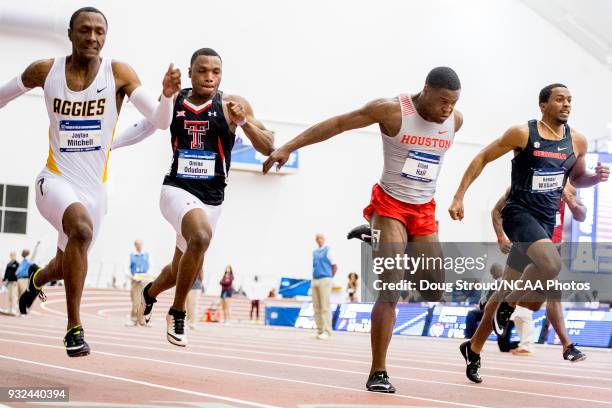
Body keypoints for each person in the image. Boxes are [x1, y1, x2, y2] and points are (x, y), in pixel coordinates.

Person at [264, 67, 463, 393]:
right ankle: (379, 371)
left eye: (452, 104)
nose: (447, 111)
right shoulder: (392, 110)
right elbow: (339, 123)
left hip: (424, 210)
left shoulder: (456, 122)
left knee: (432, 292)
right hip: (389, 205)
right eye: (442, 102)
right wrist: (289, 146)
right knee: (391, 287)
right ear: (425, 89)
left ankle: (378, 238)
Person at [1, 6, 181, 356]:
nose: (93, 37)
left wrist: (169, 96)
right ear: (70, 33)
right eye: (85, 30)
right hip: (53, 180)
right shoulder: (45, 70)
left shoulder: (118, 73)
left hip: (94, 190)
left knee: (65, 262)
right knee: (80, 231)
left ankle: (37, 279)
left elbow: (159, 121)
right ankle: (73, 328)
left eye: (100, 31)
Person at [449, 83, 609, 383]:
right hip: (519, 215)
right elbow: (482, 157)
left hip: (546, 221)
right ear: (543, 104)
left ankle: (474, 347)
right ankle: (508, 307)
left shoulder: (577, 141)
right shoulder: (522, 133)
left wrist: (594, 179)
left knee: (517, 293)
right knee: (550, 265)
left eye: (570, 100)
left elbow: (577, 178)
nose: (566, 104)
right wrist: (459, 195)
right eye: (559, 99)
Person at [116, 47, 273, 347]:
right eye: (202, 70)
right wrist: (109, 147)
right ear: (190, 72)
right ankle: (177, 313)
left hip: (212, 199)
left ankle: (149, 293)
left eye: (216, 72)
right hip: (176, 188)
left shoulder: (232, 105)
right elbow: (147, 126)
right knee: (200, 238)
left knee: (180, 270)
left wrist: (244, 123)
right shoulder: (176, 99)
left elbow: (267, 145)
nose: (209, 77)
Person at [492, 183, 587, 360]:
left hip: (552, 248)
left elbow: (582, 215)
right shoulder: (525, 181)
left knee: (541, 301)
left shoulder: (569, 188)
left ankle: (566, 346)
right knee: (512, 292)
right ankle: (475, 346)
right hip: (527, 244)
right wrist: (501, 237)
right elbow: (496, 211)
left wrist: (571, 203)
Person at [311, 233, 337, 340]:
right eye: (317, 238)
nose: (319, 240)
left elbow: (334, 266)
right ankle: (320, 330)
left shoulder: (329, 251)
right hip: (315, 279)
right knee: (316, 307)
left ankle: (327, 331)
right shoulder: (315, 252)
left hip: (325, 279)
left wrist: (330, 278)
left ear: (324, 239)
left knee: (325, 306)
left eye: (320, 238)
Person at [126, 239, 151, 326]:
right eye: (137, 244)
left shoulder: (147, 255)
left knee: (146, 301)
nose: (139, 246)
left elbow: (151, 267)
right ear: (135, 245)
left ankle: (145, 321)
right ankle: (134, 320)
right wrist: (132, 277)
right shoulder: (131, 255)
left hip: (145, 280)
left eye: (140, 244)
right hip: (135, 281)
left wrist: (148, 276)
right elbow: (126, 269)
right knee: (136, 301)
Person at [16, 242, 39, 308]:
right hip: (19, 279)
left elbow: (34, 255)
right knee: (19, 295)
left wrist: (36, 246)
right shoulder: (22, 261)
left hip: (25, 279)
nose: (24, 254)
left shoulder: (29, 261)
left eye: (25, 253)